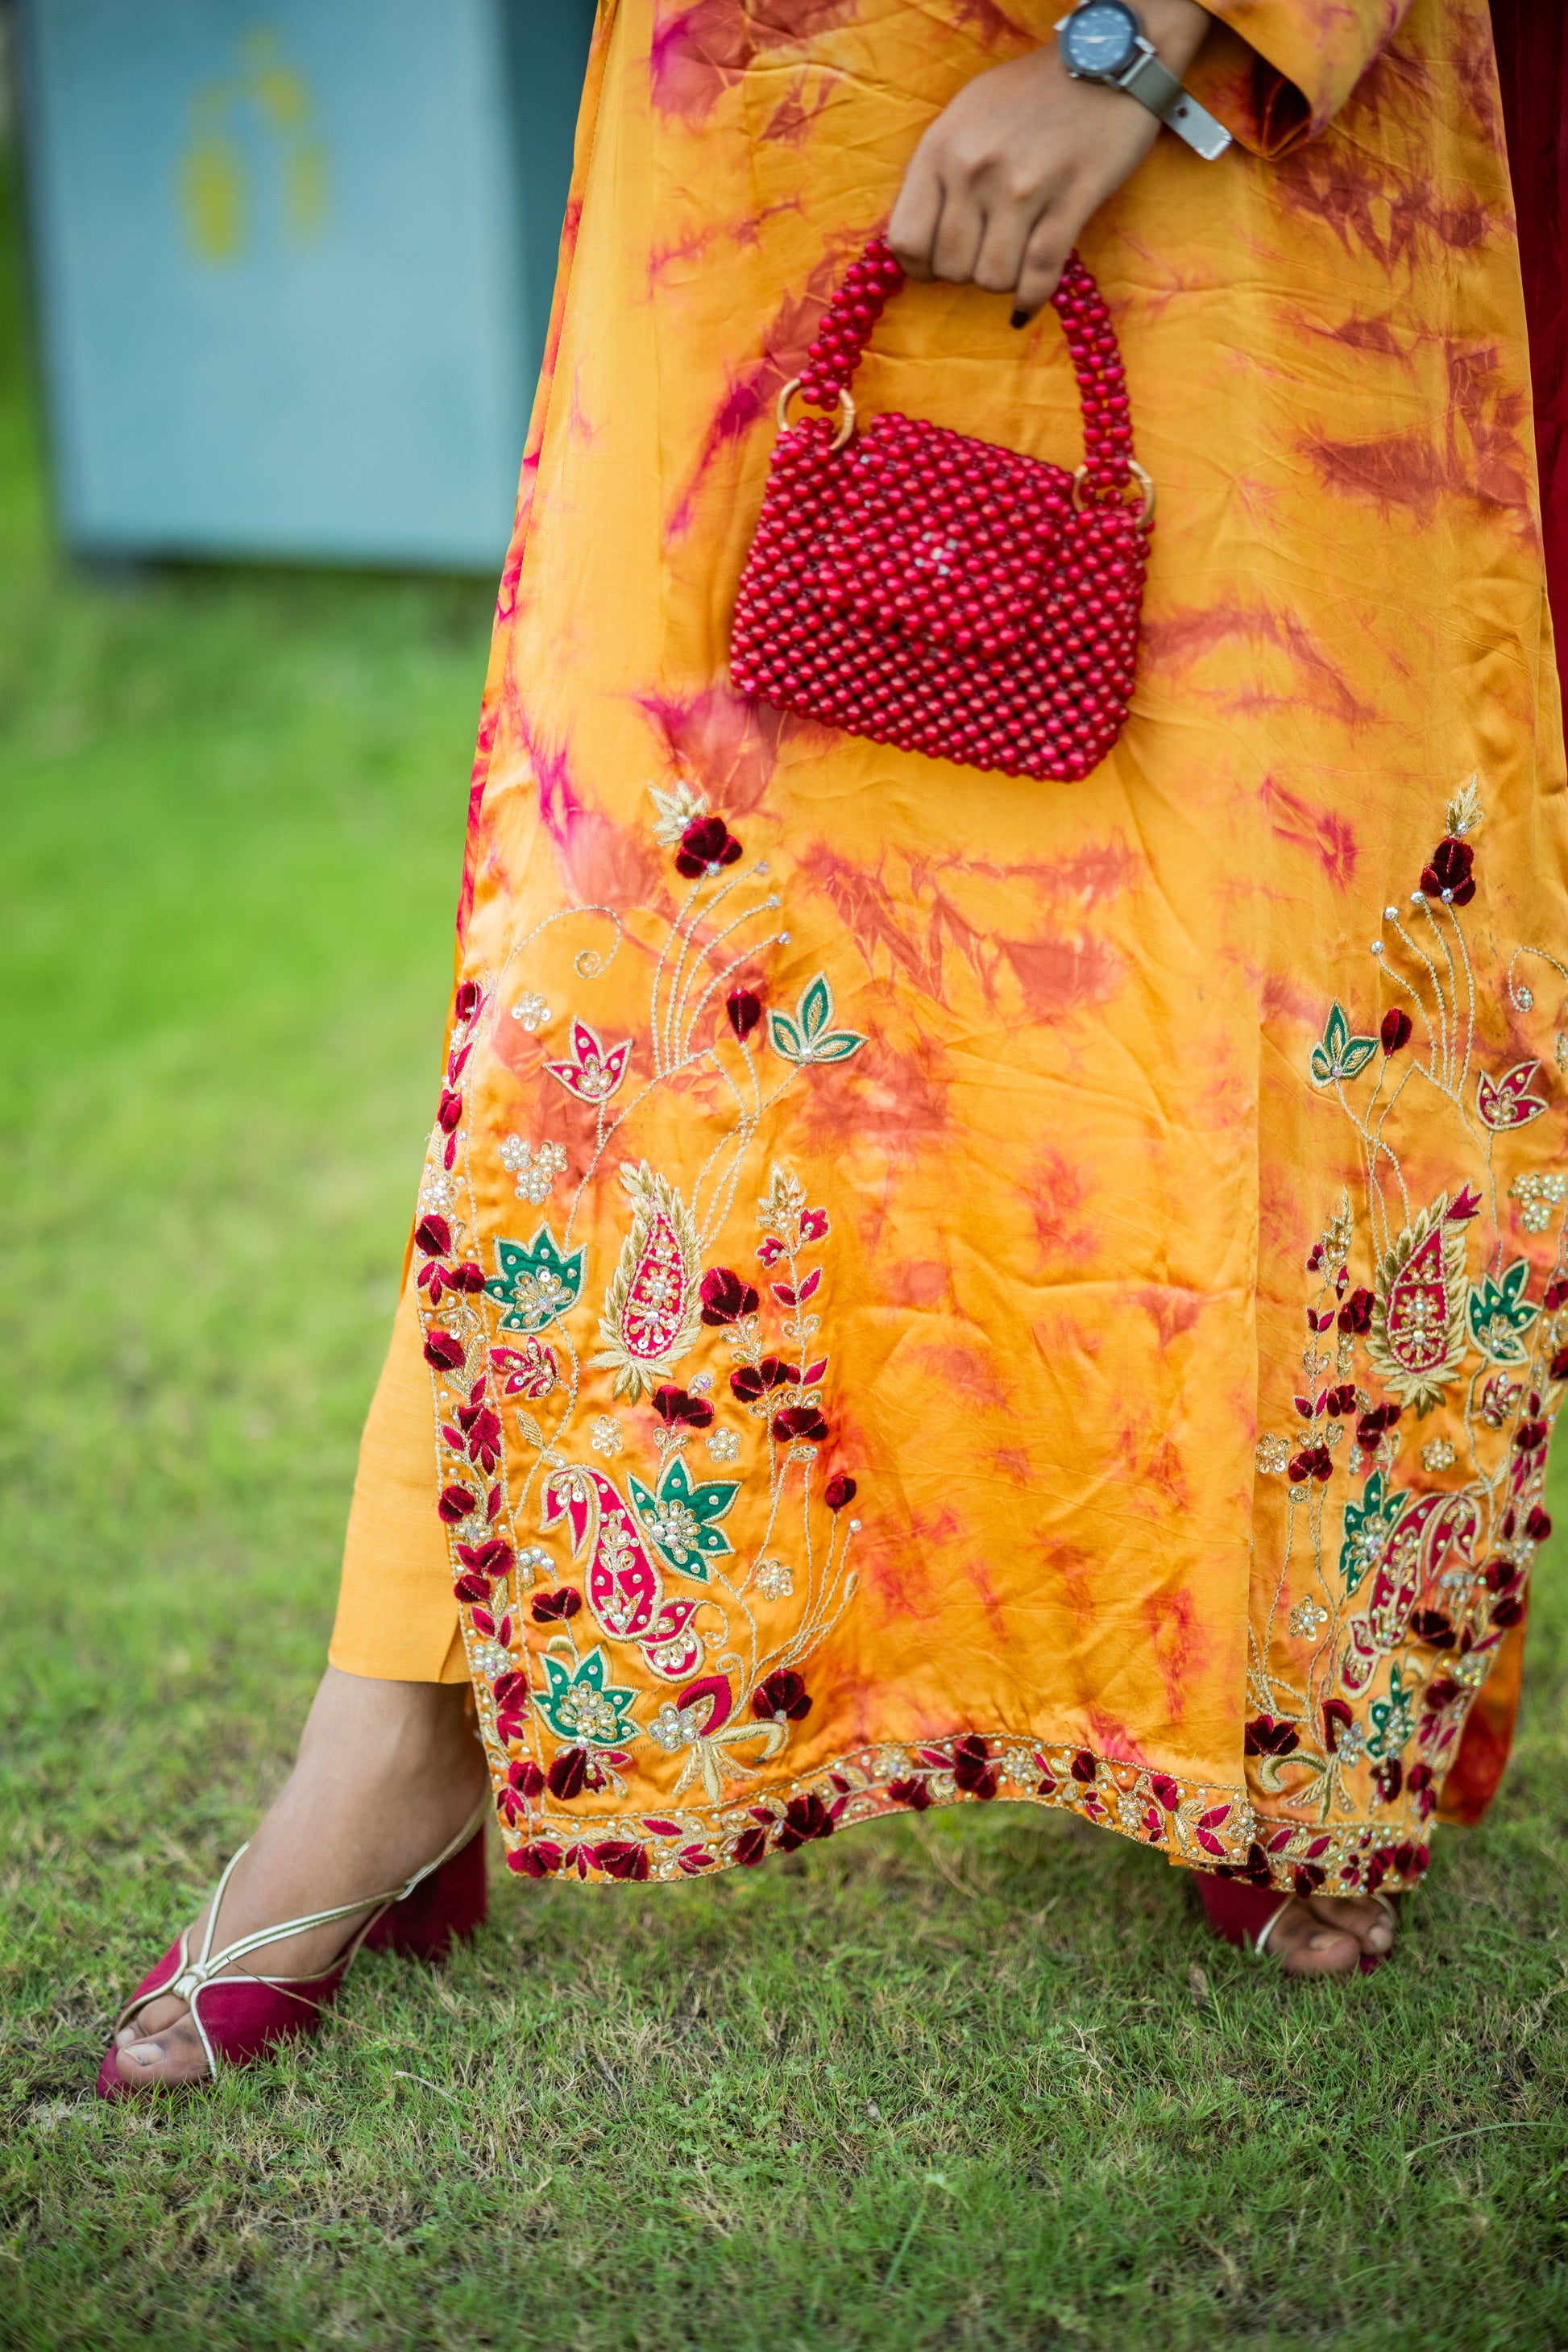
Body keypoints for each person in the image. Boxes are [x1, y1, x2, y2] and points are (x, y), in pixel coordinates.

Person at [102, 0, 1566, 2093]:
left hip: (1245, 150)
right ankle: (399, 1715)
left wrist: (1141, 50)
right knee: (655, 937)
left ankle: (1276, 1694)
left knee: (1245, 919)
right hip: (781, 100)